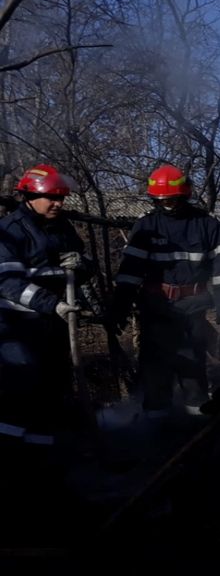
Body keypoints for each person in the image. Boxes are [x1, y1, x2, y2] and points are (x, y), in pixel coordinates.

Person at [0, 164, 87, 540]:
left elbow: (82, 268)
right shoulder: (9, 232)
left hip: (50, 328)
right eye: (50, 198)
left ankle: (45, 475)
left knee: (49, 400)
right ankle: (10, 477)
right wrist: (51, 303)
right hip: (15, 332)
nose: (57, 204)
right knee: (19, 402)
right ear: (28, 196)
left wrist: (82, 266)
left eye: (60, 198)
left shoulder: (62, 226)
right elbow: (6, 281)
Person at [113, 164, 220, 418]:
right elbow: (130, 271)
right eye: (161, 200)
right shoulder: (146, 226)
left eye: (172, 200)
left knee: (192, 365)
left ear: (185, 194)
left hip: (194, 304)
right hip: (156, 306)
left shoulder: (207, 225)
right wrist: (120, 305)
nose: (167, 205)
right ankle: (156, 429)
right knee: (155, 367)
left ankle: (197, 423)